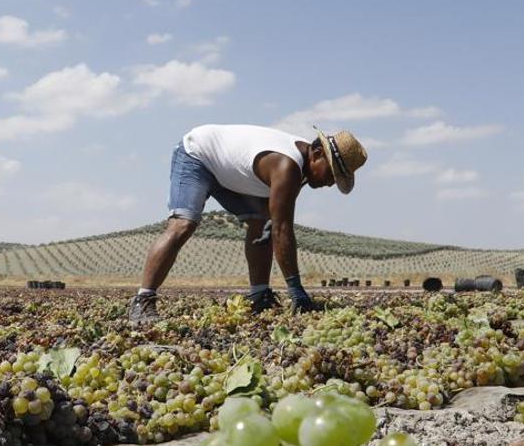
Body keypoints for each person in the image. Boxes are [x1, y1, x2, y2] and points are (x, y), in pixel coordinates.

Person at [129, 124, 367, 324]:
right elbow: (282, 229)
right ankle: (143, 301)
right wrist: (295, 290)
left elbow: (273, 224)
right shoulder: (287, 167)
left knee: (261, 224)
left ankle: (259, 296)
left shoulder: (302, 166)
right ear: (317, 154)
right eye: (331, 174)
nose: (329, 183)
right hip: (197, 155)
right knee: (183, 225)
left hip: (228, 172)